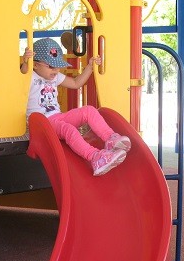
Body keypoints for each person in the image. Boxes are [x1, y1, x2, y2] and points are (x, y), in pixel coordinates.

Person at [21, 37, 131, 176]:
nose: (56, 70)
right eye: (51, 66)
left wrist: (90, 67)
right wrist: (26, 61)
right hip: (42, 124)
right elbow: (23, 72)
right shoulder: (29, 76)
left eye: (58, 65)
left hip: (57, 117)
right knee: (69, 130)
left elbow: (75, 83)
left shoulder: (54, 76)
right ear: (35, 65)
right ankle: (95, 158)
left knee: (89, 110)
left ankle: (110, 139)